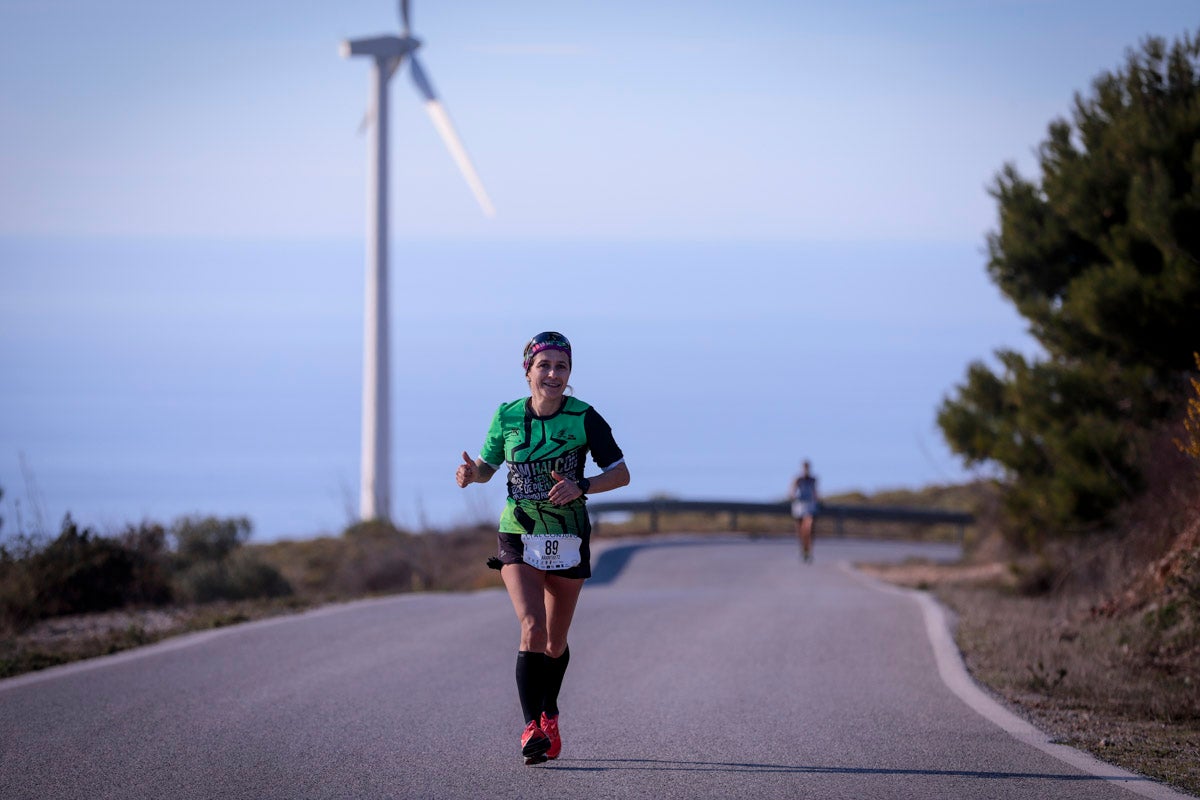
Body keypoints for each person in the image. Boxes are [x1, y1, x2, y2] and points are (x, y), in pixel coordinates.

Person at [455, 331, 630, 765]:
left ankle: (550, 712)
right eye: (544, 365)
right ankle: (532, 727)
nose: (553, 374)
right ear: (527, 370)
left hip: (568, 536)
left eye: (561, 367)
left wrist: (582, 486)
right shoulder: (507, 415)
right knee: (530, 625)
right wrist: (470, 474)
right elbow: (488, 467)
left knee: (554, 642)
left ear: (569, 373)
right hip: (518, 533)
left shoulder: (585, 417)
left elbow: (621, 474)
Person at [790, 460, 819, 563]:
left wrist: (817, 500)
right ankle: (803, 550)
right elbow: (792, 492)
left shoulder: (813, 479)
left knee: (809, 529)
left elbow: (816, 492)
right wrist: (794, 496)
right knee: (801, 532)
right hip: (799, 506)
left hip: (810, 506)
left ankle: (809, 551)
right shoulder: (798, 479)